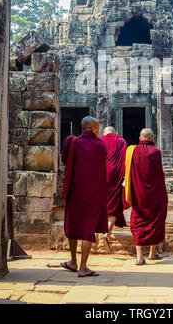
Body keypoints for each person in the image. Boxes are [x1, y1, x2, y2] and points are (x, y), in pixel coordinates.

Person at [60, 116, 107, 277]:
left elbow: (65, 160)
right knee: (88, 229)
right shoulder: (100, 146)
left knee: (74, 225)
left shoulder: (72, 142)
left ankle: (72, 261)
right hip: (93, 193)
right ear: (93, 128)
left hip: (74, 191)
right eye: (98, 128)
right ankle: (83, 267)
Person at [125, 128, 168, 265]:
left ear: (140, 138)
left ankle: (139, 256)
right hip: (155, 193)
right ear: (152, 139)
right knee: (155, 219)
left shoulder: (132, 151)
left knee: (138, 221)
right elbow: (158, 174)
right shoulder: (157, 152)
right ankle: (152, 252)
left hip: (138, 193)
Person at [99, 126, 129, 252]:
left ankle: (105, 232)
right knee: (115, 206)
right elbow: (125, 160)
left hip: (101, 176)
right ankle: (107, 233)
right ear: (116, 133)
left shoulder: (99, 140)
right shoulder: (121, 141)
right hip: (116, 177)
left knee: (102, 205)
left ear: (103, 133)